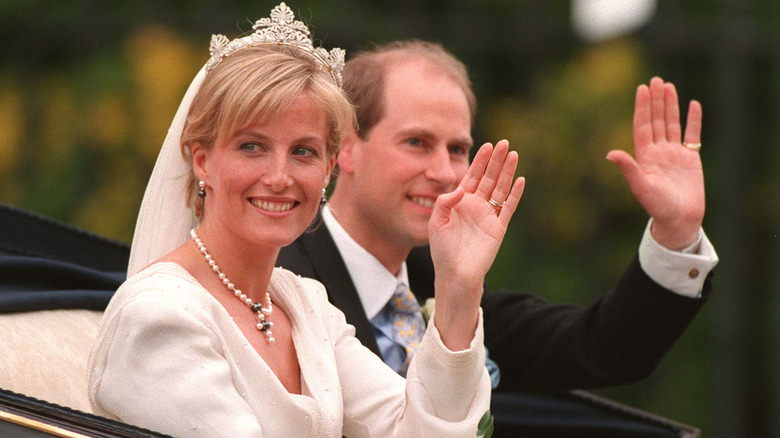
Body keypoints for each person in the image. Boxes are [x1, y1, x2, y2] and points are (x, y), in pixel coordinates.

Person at [88, 5, 523, 437]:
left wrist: (457, 286)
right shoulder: (161, 316)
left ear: (329, 167)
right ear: (202, 161)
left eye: (303, 152)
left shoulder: (307, 308)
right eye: (252, 147)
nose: (280, 178)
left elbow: (418, 431)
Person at [276, 40, 719, 392]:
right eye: (417, 142)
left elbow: (604, 349)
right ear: (346, 148)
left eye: (458, 149)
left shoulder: (446, 282)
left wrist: (676, 232)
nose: (445, 172)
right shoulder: (280, 279)